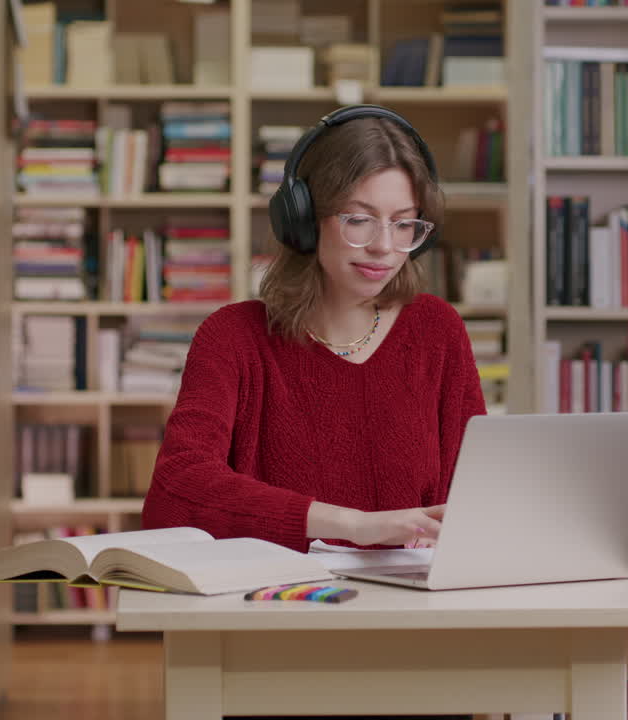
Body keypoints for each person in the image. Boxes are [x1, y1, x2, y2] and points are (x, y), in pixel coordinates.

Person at [140, 104, 487, 556]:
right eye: (358, 219)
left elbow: (477, 497)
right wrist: (350, 524)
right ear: (303, 218)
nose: (384, 246)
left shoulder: (437, 331)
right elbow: (175, 493)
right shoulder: (232, 338)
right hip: (275, 612)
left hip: (414, 609)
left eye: (404, 224)